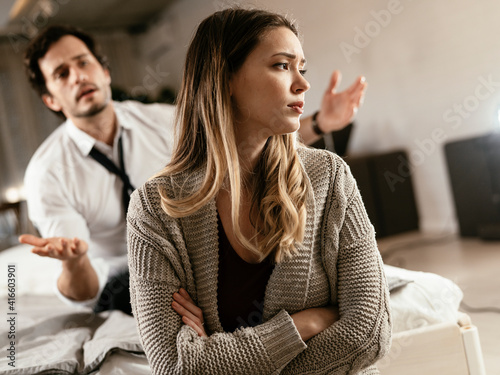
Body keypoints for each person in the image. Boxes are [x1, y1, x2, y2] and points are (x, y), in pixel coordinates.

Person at [18, 23, 366, 313]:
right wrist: (75, 262)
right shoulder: (47, 174)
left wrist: (321, 123)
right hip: (122, 277)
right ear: (50, 98)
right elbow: (85, 289)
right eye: (62, 74)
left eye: (84, 63)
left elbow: (246, 143)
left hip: (190, 254)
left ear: (105, 72)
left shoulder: (161, 120)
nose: (78, 76)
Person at [127, 8, 390, 375]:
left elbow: (368, 333)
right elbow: (173, 366)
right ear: (226, 79)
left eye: (303, 67)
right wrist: (303, 325)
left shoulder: (330, 177)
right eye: (282, 66)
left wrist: (216, 359)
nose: (302, 84)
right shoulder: (155, 209)